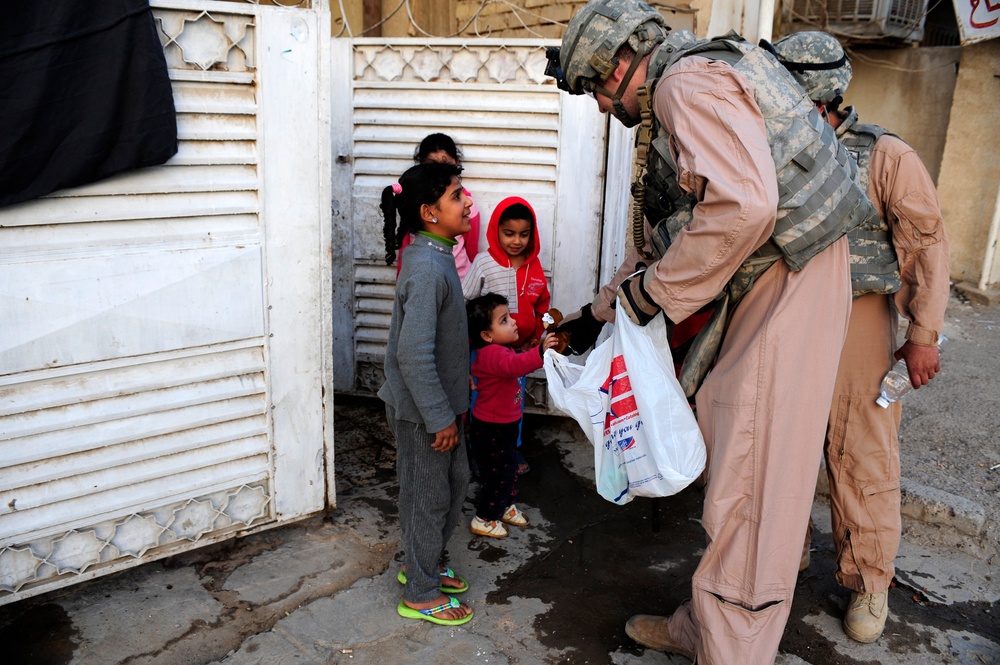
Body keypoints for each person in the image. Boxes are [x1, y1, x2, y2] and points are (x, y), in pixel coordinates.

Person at [546, 0, 885, 661]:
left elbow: (745, 205)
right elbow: (664, 236)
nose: (596, 105)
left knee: (750, 486)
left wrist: (655, 297)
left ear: (619, 62)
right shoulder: (695, 73)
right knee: (740, 464)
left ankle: (729, 648)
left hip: (785, 283)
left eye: (592, 87)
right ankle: (708, 627)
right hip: (779, 279)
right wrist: (599, 316)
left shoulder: (682, 84)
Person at [770, 31, 951, 644]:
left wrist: (924, 334)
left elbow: (926, 244)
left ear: (819, 96)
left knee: (863, 453)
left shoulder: (886, 157)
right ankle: (777, 559)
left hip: (859, 321)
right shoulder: (768, 150)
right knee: (780, 443)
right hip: (785, 318)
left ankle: (870, 581)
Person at [377, 161, 475, 626]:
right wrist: (439, 417)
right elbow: (413, 354)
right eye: (457, 196)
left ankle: (427, 561)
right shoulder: (427, 269)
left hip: (442, 406)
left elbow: (444, 340)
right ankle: (420, 590)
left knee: (452, 485)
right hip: (424, 415)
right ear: (429, 213)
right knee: (427, 496)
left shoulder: (436, 255)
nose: (468, 201)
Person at [463, 196, 552, 474]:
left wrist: (536, 336)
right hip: (486, 350)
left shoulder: (533, 266)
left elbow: (541, 304)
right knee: (482, 400)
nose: (516, 241)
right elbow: (466, 301)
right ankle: (480, 448)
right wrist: (466, 346)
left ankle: (511, 446)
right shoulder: (483, 263)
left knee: (513, 400)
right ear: (495, 230)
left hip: (520, 350)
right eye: (509, 233)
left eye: (524, 234)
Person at [465, 293, 560, 538]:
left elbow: (516, 359)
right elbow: (515, 365)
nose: (514, 322)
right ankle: (485, 517)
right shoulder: (491, 355)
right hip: (491, 429)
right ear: (486, 335)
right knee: (501, 473)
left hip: (503, 424)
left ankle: (504, 505)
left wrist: (535, 350)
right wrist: (540, 351)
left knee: (507, 469)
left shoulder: (501, 349)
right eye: (505, 320)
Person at [396, 133, 481, 279]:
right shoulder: (414, 201)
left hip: (460, 279)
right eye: (431, 165)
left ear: (456, 163)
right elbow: (405, 247)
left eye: (445, 164)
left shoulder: (467, 204)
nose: (440, 170)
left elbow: (472, 250)